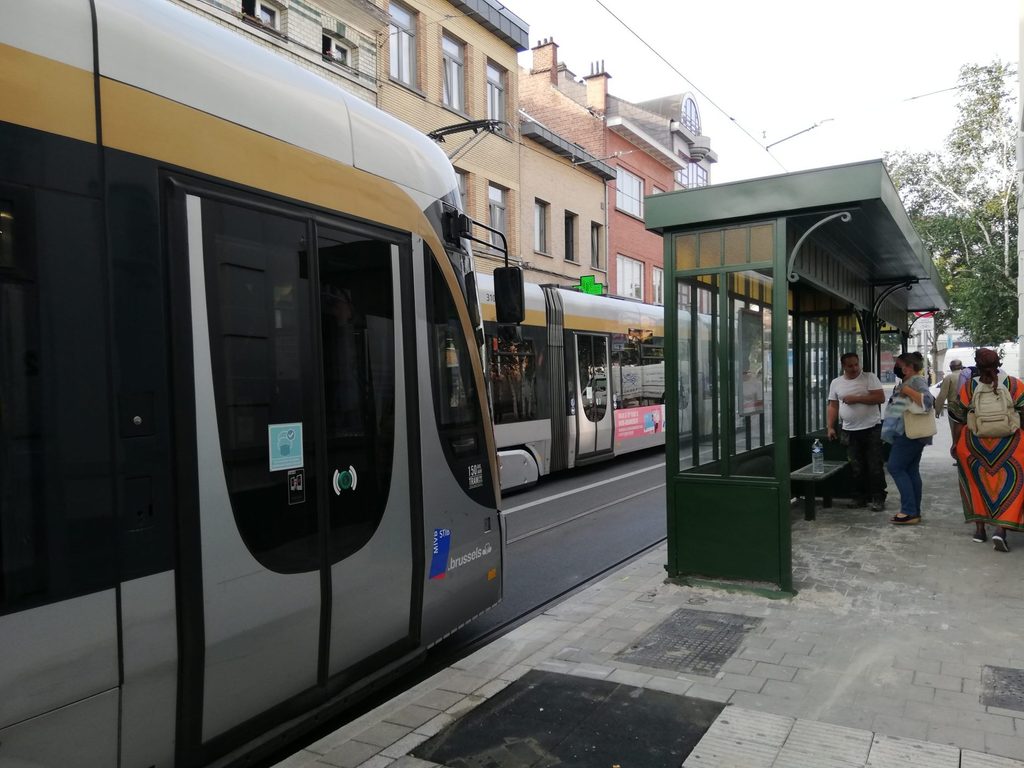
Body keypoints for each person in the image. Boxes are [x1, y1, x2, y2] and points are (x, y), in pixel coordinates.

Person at [948, 347, 1024, 551]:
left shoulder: (969, 388)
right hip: (1010, 446)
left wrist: (955, 443)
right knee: (1009, 487)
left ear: (976, 365)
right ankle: (1001, 531)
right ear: (998, 363)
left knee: (975, 485)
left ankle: (980, 531)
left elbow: (957, 418)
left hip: (974, 445)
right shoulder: (1015, 384)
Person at [826, 352, 886, 510]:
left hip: (871, 428)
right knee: (856, 466)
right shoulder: (836, 383)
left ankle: (878, 497)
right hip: (849, 430)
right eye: (850, 365)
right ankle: (860, 497)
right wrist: (830, 427)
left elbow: (880, 398)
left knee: (874, 465)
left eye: (856, 364)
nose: (854, 368)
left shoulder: (869, 377)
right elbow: (833, 405)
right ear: (843, 366)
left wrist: (856, 398)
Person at [880, 352, 935, 525]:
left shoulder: (915, 381)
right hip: (907, 433)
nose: (896, 368)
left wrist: (906, 391)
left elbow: (927, 402)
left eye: (899, 364)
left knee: (895, 467)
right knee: (910, 470)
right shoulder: (910, 381)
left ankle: (909, 510)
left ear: (908, 367)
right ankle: (914, 512)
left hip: (909, 433)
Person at [934, 359, 964, 465]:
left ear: (951, 368)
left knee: (955, 433)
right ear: (961, 366)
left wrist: (938, 409)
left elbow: (942, 395)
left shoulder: (949, 378)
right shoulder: (967, 376)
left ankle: (958, 457)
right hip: (968, 409)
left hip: (954, 409)